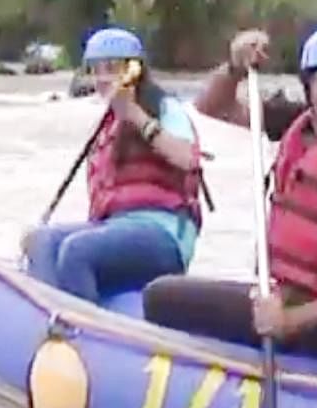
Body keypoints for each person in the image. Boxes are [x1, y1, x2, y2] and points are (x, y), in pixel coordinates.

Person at [143, 24, 317, 358]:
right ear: (308, 85)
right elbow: (212, 106)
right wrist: (234, 67)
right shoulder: (298, 123)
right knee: (161, 295)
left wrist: (289, 321)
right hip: (286, 298)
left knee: (162, 298)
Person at [23, 27, 203, 303]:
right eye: (97, 69)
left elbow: (187, 158)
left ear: (134, 70)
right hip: (116, 228)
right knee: (42, 241)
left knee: (77, 251)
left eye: (112, 68)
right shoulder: (109, 126)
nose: (103, 78)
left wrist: (137, 116)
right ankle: (45, 323)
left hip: (162, 235)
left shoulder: (165, 108)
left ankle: (79, 333)